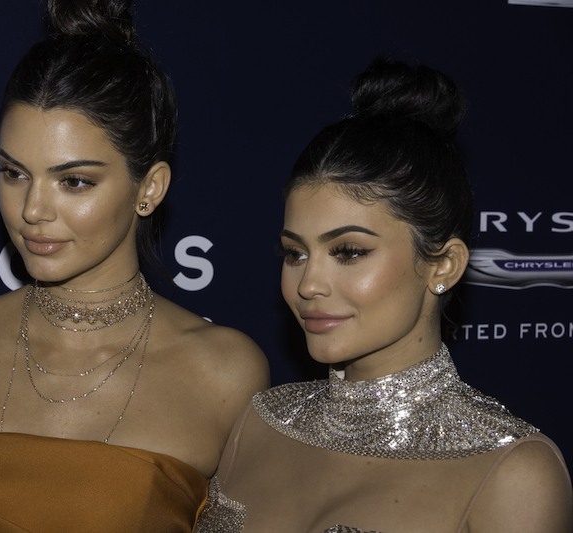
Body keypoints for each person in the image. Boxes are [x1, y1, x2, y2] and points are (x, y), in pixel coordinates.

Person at [0, 1, 269, 531]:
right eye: (13, 173)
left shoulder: (226, 374)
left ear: (150, 188)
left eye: (73, 181)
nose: (32, 210)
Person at [196, 58, 572, 533]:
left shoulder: (512, 471)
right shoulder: (260, 421)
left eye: (349, 252)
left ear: (443, 265)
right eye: (294, 253)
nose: (308, 284)